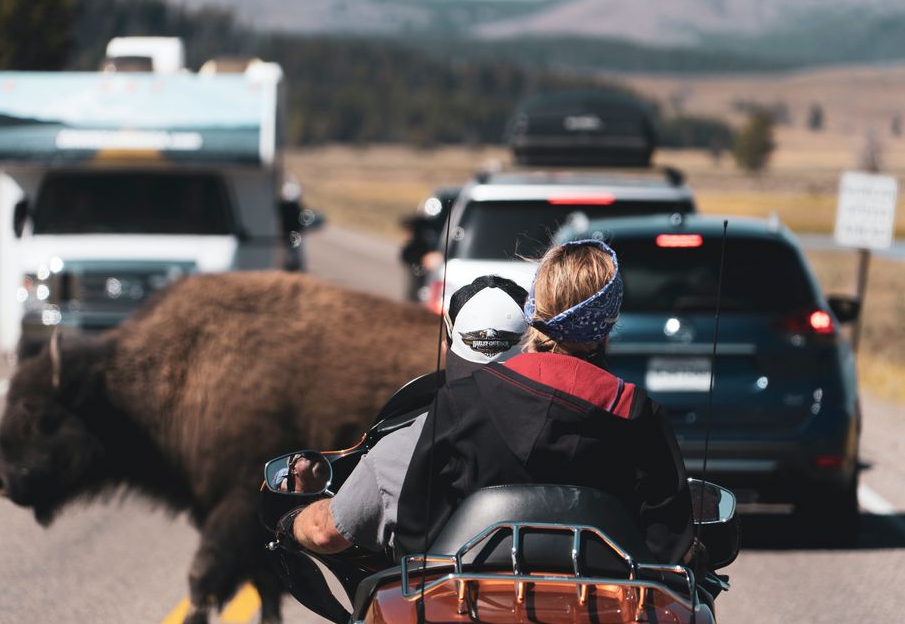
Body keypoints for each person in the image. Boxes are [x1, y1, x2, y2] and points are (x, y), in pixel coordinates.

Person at [393, 239, 694, 565]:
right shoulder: (637, 415)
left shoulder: (461, 401)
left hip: (470, 605)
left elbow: (416, 536)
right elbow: (668, 551)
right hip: (604, 607)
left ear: (534, 305)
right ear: (608, 324)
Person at [277, 275, 529, 556]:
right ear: (535, 348)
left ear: (446, 346)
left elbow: (325, 532)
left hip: (440, 597)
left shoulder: (407, 445)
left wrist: (292, 518)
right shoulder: (575, 435)